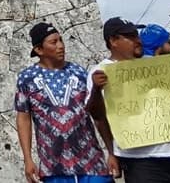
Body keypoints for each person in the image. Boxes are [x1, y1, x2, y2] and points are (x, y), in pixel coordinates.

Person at [87, 16, 170, 183]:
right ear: (113, 41)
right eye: (131, 37)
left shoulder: (160, 64)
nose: (138, 40)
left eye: (137, 35)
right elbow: (98, 116)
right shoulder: (101, 71)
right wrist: (96, 90)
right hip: (142, 160)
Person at [15, 22, 115, 183]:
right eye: (54, 42)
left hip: (92, 164)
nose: (61, 46)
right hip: (54, 169)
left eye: (61, 40)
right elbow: (23, 118)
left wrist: (111, 151)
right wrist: (27, 159)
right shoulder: (27, 79)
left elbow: (98, 115)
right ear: (39, 50)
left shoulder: (80, 73)